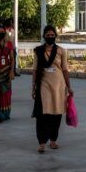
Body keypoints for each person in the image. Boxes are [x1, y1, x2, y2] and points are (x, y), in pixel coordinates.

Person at [32, 25, 72, 153]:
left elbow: (65, 70)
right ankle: (42, 142)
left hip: (59, 86)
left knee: (57, 114)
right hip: (44, 85)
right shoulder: (38, 50)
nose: (50, 37)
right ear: (44, 36)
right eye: (48, 35)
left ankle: (53, 140)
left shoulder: (61, 51)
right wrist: (33, 86)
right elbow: (35, 70)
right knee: (42, 115)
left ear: (55, 36)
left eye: (52, 35)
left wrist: (69, 86)